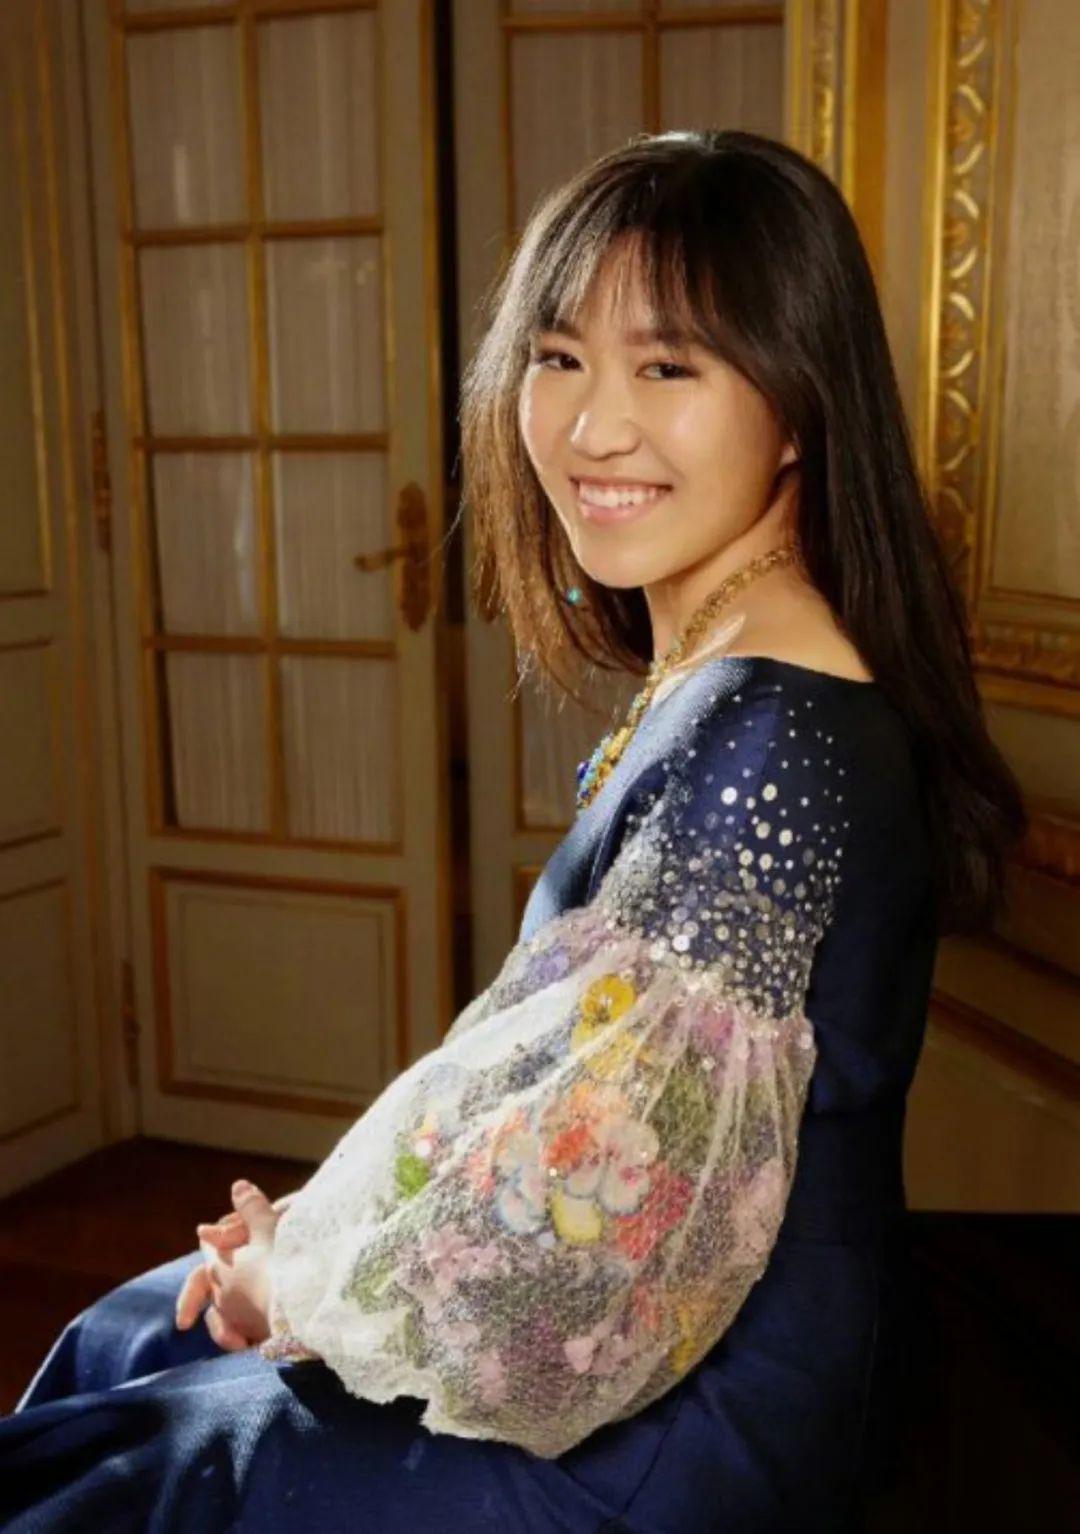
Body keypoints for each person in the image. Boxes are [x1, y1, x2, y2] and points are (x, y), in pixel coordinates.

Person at [0, 128, 1025, 1532]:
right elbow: (534, 1080)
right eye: (557, 357)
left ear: (798, 405)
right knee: (135, 1334)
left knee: (144, 1460)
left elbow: (604, 1238)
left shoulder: (770, 737)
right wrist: (314, 1233)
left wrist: (299, 1287)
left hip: (687, 1413)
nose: (593, 427)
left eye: (667, 368)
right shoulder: (724, 661)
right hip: (653, 1332)